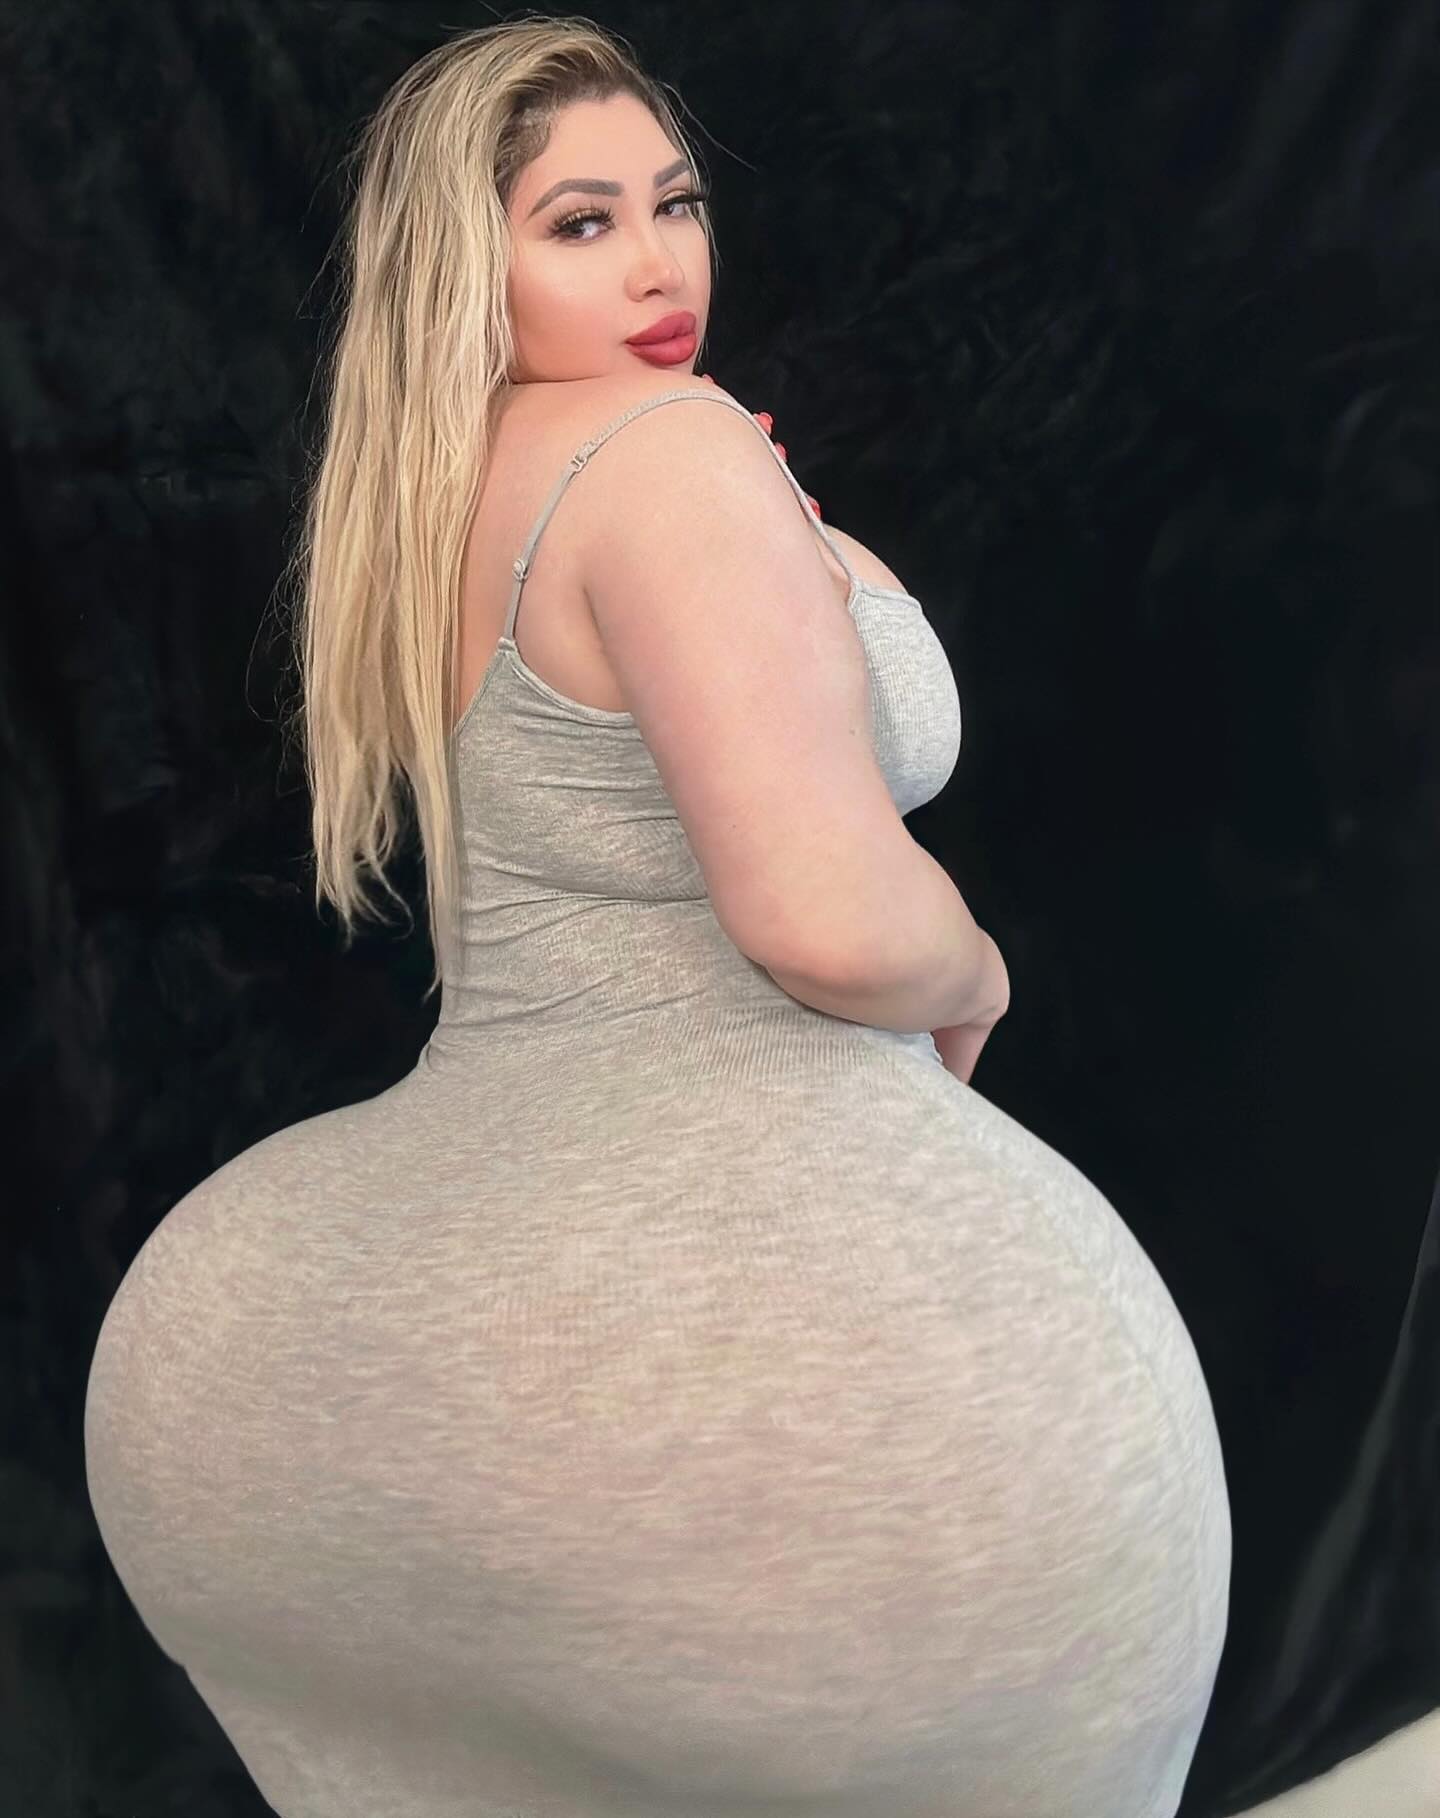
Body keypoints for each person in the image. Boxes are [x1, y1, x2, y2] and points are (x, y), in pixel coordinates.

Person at [83, 17, 1230, 1817]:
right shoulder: (666, 452)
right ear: (466, 265)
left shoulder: (432, 490)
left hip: (309, 1385)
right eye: (580, 221)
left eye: (675, 205)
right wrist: (978, 962)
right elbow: (824, 916)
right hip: (786, 1388)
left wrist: (781, 528)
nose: (658, 262)